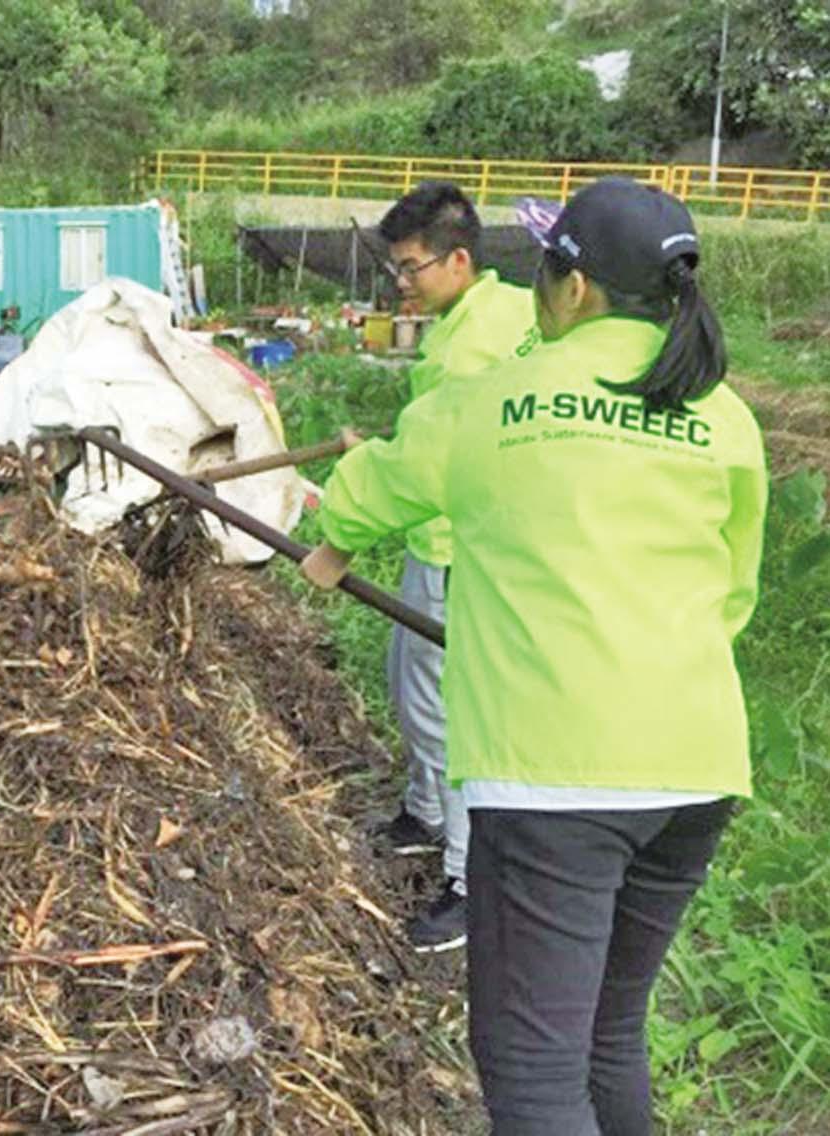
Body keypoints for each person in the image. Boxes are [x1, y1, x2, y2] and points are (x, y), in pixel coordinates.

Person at [300, 177, 766, 1135]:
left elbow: (384, 477)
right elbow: (733, 591)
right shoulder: (723, 417)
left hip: (560, 779)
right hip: (697, 766)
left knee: (533, 1072)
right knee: (608, 1032)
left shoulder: (501, 399)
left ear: (576, 288)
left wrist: (332, 543)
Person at [371, 182, 538, 954]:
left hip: (455, 550)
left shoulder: (470, 347)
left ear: (459, 258)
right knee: (410, 685)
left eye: (412, 269)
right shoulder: (501, 312)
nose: (402, 284)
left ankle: (469, 884)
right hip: (467, 538)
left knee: (449, 719)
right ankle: (423, 814)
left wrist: (351, 510)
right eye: (397, 270)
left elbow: (433, 463)